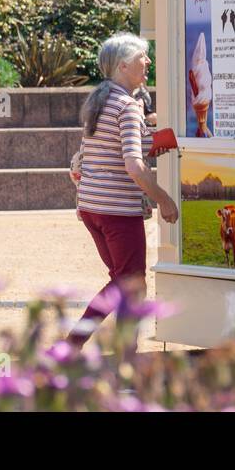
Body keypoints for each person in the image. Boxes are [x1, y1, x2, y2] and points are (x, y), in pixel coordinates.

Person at [70, 33, 178, 349]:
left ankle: (72, 345)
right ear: (122, 65)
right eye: (141, 57)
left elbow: (119, 149)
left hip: (92, 207)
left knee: (120, 283)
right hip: (118, 211)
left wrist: (173, 137)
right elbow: (133, 163)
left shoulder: (100, 101)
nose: (147, 62)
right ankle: (123, 362)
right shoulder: (128, 106)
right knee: (131, 286)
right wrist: (164, 200)